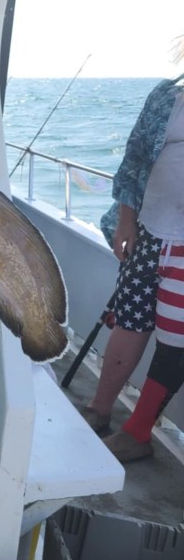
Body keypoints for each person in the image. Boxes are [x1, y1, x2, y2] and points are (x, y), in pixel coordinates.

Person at [82, 70, 184, 449]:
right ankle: (100, 407)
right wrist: (126, 221)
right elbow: (134, 160)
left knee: (176, 341)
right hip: (150, 232)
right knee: (129, 322)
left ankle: (137, 432)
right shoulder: (165, 98)